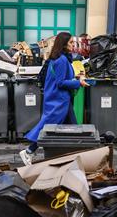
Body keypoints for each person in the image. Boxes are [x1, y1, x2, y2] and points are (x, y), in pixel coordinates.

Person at [20, 31, 88, 165]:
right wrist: (78, 82)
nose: (72, 45)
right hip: (58, 100)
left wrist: (76, 79)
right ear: (63, 44)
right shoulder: (62, 60)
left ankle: (72, 157)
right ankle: (28, 151)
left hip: (60, 100)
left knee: (70, 129)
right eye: (70, 43)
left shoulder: (58, 58)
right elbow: (60, 82)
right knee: (48, 128)